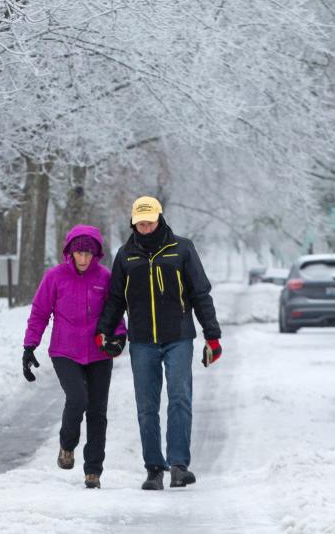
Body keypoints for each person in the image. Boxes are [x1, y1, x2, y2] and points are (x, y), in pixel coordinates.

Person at [95, 196, 221, 491]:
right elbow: (115, 299)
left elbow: (200, 293)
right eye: (141, 222)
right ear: (133, 223)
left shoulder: (182, 248)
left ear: (159, 217)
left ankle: (179, 465)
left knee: (179, 399)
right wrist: (104, 330)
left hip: (178, 336)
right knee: (146, 405)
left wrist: (212, 335)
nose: (146, 226)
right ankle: (154, 468)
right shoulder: (126, 256)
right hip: (142, 341)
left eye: (150, 220)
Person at [22, 225, 126, 489]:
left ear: (96, 255)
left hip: (99, 352)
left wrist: (119, 335)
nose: (83, 259)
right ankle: (67, 445)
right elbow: (40, 312)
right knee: (78, 398)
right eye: (79, 253)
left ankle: (93, 471)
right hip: (65, 350)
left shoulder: (104, 277)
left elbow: (114, 311)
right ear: (70, 252)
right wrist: (29, 346)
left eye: (88, 254)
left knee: (97, 410)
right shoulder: (55, 277)